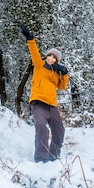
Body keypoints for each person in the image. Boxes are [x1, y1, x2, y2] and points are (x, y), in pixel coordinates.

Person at [20, 24, 69, 163]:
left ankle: (53, 156)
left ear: (57, 60)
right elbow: (34, 51)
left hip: (52, 105)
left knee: (59, 130)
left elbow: (62, 86)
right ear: (47, 56)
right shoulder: (39, 64)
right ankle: (41, 157)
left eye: (54, 58)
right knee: (41, 126)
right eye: (50, 56)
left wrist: (64, 74)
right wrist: (30, 38)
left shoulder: (56, 73)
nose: (51, 58)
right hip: (38, 102)